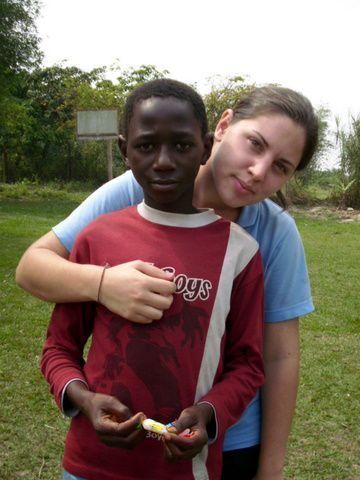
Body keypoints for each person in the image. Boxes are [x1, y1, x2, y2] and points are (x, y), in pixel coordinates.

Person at [17, 84, 319, 480]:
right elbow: (32, 269)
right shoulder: (135, 188)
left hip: (228, 440)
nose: (258, 171)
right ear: (224, 128)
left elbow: (276, 356)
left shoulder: (267, 237)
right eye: (255, 144)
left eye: (282, 166)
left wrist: (270, 469)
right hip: (102, 455)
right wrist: (105, 283)